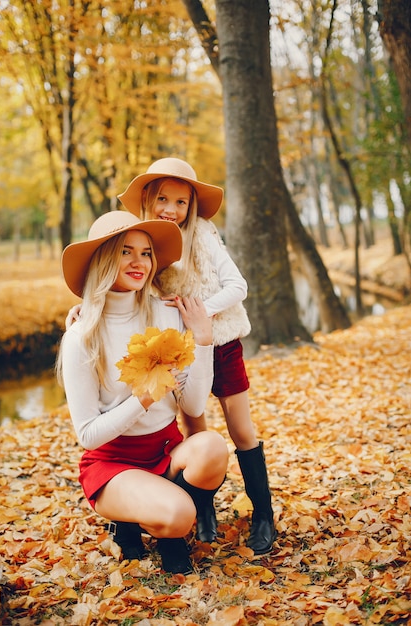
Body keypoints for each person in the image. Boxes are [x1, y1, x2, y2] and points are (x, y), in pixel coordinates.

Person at [116, 157, 277, 555]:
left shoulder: (202, 233)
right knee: (197, 434)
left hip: (222, 342)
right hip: (180, 352)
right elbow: (122, 282)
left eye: (181, 202)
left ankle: (264, 514)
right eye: (163, 200)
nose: (171, 209)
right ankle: (203, 512)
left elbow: (237, 285)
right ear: (148, 201)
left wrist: (199, 310)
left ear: (192, 207)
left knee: (241, 432)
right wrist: (85, 308)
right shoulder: (144, 238)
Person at [56, 210, 229, 575]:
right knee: (180, 514)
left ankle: (164, 524)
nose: (139, 262)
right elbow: (87, 435)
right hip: (112, 463)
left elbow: (194, 403)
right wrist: (144, 397)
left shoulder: (166, 312)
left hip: (165, 451)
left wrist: (202, 340)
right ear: (103, 258)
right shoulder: (81, 336)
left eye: (146, 252)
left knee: (213, 448)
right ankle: (138, 521)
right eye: (125, 252)